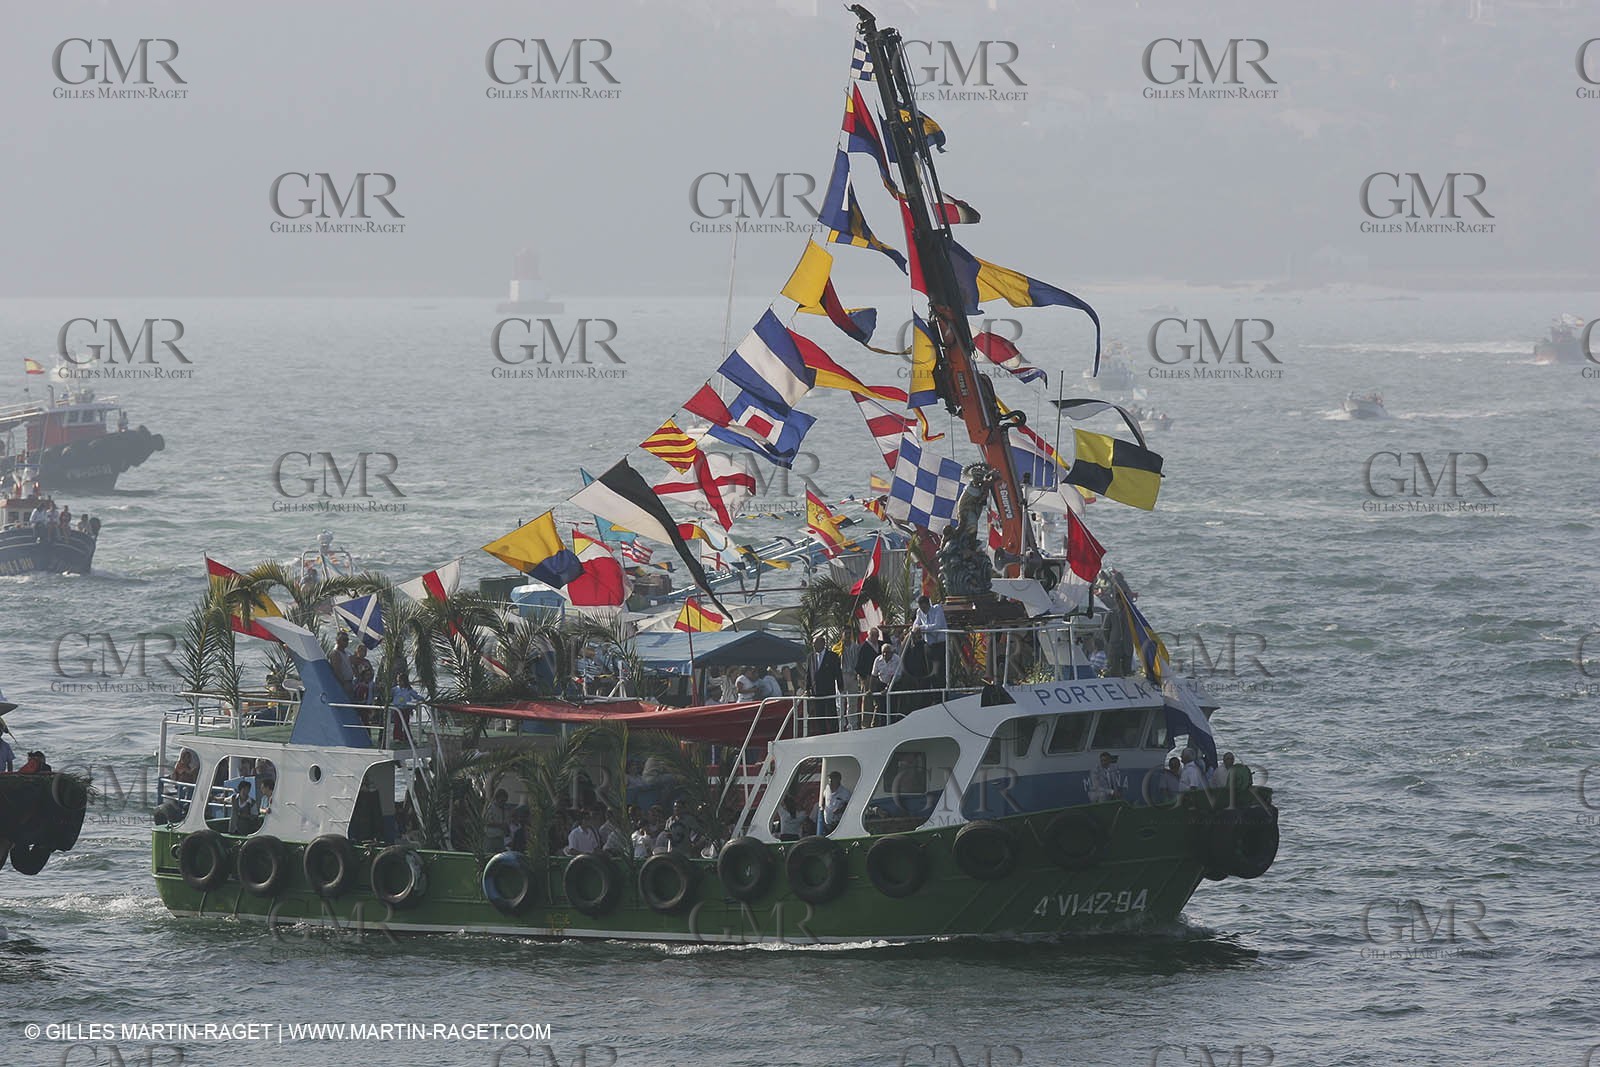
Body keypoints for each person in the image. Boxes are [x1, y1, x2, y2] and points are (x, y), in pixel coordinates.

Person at [805, 636, 844, 732]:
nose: (813, 646)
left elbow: (837, 673)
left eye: (815, 643)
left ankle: (834, 733)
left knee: (831, 714)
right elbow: (809, 673)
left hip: (828, 691)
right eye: (813, 644)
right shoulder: (810, 657)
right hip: (816, 691)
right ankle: (821, 733)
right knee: (819, 716)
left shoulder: (832, 656)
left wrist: (840, 686)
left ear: (822, 643)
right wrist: (807, 688)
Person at [912, 596, 947, 684]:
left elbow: (937, 625)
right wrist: (916, 628)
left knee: (939, 672)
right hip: (928, 646)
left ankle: (942, 696)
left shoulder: (937, 609)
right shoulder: (919, 612)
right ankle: (934, 696)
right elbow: (915, 624)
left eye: (924, 607)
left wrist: (921, 628)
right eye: (921, 607)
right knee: (930, 672)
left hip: (939, 645)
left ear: (928, 604)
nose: (923, 610)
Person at [870, 641, 901, 727]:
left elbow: (895, 676)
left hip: (894, 684)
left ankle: (893, 725)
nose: (884, 654)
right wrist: (870, 690)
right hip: (882, 684)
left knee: (893, 707)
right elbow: (873, 675)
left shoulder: (897, 659)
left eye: (887, 652)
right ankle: (882, 726)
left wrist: (887, 689)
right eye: (883, 652)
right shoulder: (878, 660)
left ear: (891, 653)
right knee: (881, 708)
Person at [851, 632, 878, 731]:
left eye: (877, 636)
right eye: (874, 635)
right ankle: (865, 724)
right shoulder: (863, 647)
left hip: (878, 678)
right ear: (869, 635)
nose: (876, 638)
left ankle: (876, 722)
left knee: (877, 701)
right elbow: (858, 666)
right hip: (867, 678)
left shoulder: (879, 645)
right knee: (867, 701)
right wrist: (864, 678)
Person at [819, 770, 852, 835]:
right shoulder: (827, 789)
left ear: (838, 779)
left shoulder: (845, 792)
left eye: (833, 778)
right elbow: (824, 798)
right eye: (830, 778)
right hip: (827, 823)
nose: (830, 780)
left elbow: (849, 806)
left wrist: (840, 810)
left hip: (839, 823)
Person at [484, 788, 511, 853]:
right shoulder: (490, 807)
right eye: (502, 800)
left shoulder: (505, 809)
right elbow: (487, 821)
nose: (503, 802)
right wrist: (500, 825)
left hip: (501, 838)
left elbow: (507, 821)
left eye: (505, 801)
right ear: (497, 798)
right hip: (491, 837)